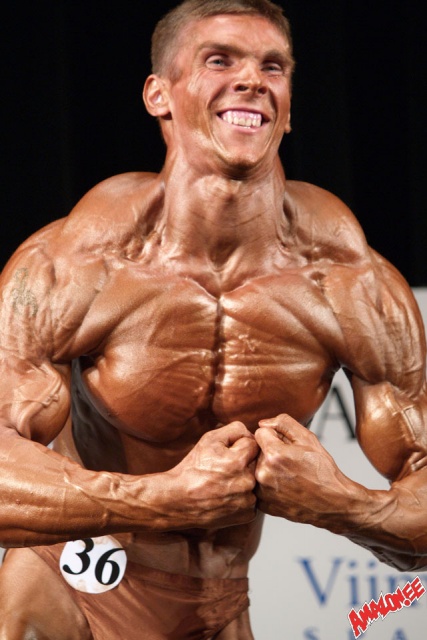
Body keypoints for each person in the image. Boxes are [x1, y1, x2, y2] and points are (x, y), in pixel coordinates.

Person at [0, 0, 426, 638]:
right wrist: (160, 499)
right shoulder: (74, 265)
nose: (252, 79)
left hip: (213, 600)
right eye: (220, 61)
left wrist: (342, 505)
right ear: (159, 95)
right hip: (63, 578)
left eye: (272, 67)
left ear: (288, 108)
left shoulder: (351, 282)